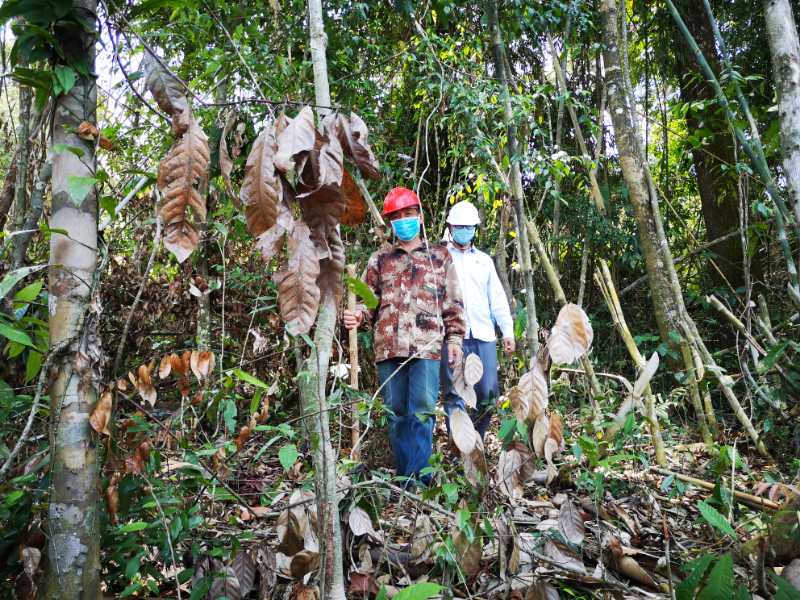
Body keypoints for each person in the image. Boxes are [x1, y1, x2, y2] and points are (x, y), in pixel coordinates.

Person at [343, 187, 465, 483]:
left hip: (427, 346)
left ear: (419, 217)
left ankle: (419, 482)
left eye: (408, 214)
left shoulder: (440, 256)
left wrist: (456, 340)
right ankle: (403, 479)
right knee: (395, 414)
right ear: (390, 223)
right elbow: (367, 302)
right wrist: (356, 315)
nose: (403, 221)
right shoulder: (379, 260)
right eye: (396, 217)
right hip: (388, 349)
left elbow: (453, 302)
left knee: (421, 413)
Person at [441, 200, 515, 438]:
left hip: (482, 335)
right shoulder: (439, 258)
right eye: (459, 226)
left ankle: (476, 440)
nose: (464, 231)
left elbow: (497, 298)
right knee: (454, 393)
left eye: (469, 227)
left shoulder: (484, 260)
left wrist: (508, 331)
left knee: (489, 393)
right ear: (450, 228)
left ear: (475, 229)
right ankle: (458, 447)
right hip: (452, 336)